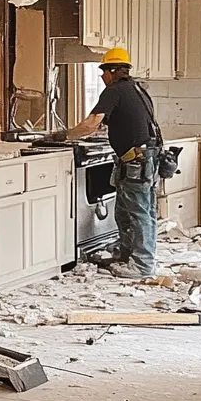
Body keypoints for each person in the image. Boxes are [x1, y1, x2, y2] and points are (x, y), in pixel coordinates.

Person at [60, 47, 161, 278]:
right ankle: (127, 257)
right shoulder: (138, 89)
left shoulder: (114, 90)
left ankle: (142, 265)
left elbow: (92, 122)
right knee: (126, 212)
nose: (102, 78)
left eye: (103, 72)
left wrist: (63, 135)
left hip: (137, 160)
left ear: (111, 71)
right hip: (143, 158)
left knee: (139, 212)